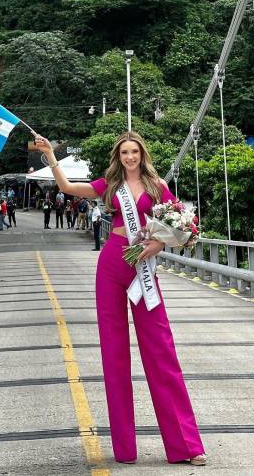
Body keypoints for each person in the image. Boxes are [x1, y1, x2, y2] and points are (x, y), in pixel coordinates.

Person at [33, 130, 206, 466]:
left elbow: (184, 230)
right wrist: (51, 157)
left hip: (143, 266)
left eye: (134, 152)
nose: (130, 157)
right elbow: (69, 188)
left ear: (142, 154)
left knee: (162, 352)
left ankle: (187, 445)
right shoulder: (109, 185)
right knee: (114, 355)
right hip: (113, 261)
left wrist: (157, 244)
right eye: (125, 152)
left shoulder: (158, 187)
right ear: (119, 155)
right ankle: (125, 449)